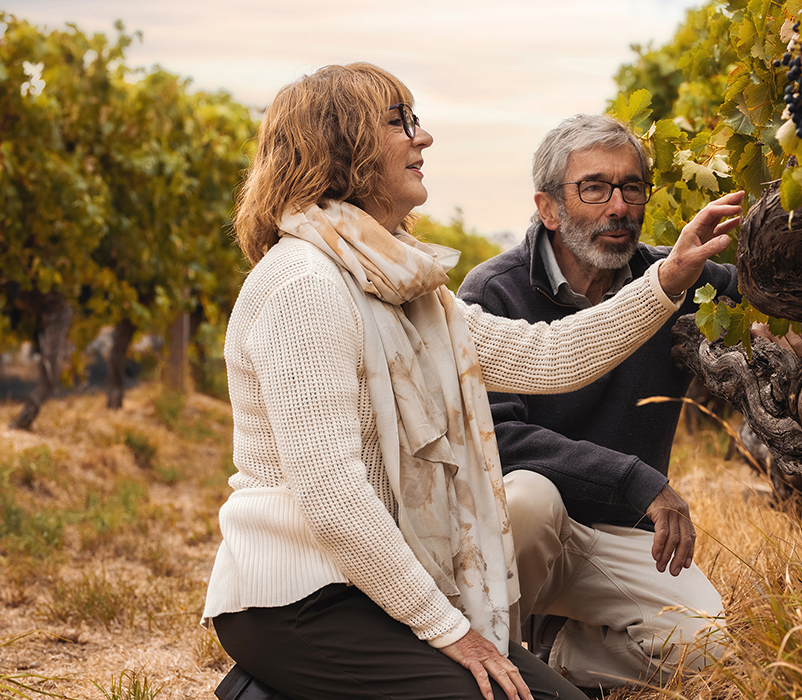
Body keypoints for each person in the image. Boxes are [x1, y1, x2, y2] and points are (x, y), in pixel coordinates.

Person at [202, 63, 744, 700]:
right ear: (343, 146)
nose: (422, 138)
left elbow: (550, 356)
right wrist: (448, 629)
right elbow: (331, 489)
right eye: (400, 122)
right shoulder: (305, 285)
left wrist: (668, 281)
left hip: (373, 590)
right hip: (303, 601)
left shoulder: (402, 285)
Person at [457, 114, 746, 690]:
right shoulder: (494, 291)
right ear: (547, 207)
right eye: (594, 187)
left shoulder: (678, 275)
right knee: (528, 498)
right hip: (531, 531)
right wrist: (636, 480)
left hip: (622, 536)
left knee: (710, 650)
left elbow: (765, 303)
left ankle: (557, 658)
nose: (619, 205)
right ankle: (494, 662)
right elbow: (498, 438)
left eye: (631, 186)